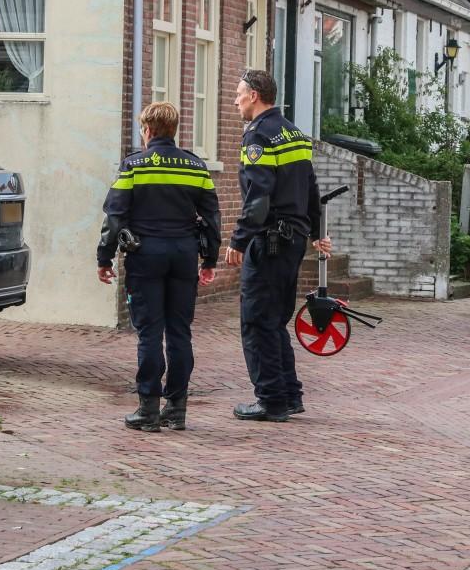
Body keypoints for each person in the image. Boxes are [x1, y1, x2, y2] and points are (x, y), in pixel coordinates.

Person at [97, 102, 220, 433]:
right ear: (174, 130)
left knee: (149, 332)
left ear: (147, 130)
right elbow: (211, 217)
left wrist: (104, 258)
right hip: (183, 254)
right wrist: (209, 260)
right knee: (179, 332)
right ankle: (177, 410)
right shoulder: (196, 167)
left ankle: (148, 410)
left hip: (145, 255)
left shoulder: (134, 165)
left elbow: (115, 216)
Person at [225, 70, 331, 423]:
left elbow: (258, 197)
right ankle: (288, 394)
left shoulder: (259, 137)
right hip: (294, 239)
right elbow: (310, 186)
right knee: (275, 320)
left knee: (256, 321)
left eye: (239, 93)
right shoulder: (294, 133)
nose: (235, 100)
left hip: (269, 240)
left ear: (254, 95)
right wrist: (315, 230)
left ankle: (270, 400)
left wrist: (239, 240)